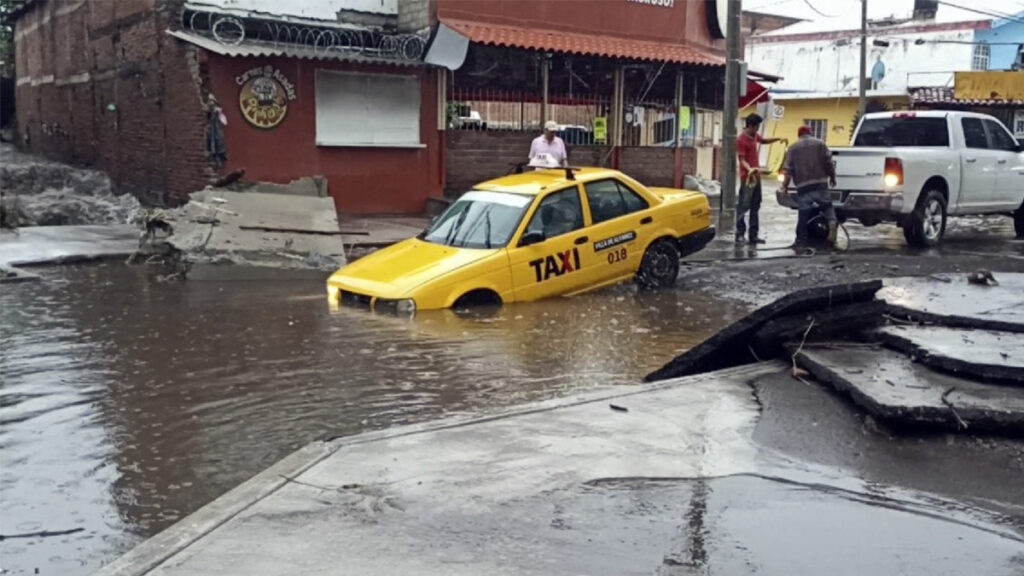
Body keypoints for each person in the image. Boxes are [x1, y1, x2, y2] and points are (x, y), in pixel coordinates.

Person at [780, 125, 838, 248]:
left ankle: (800, 242)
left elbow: (788, 170)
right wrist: (832, 177)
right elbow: (828, 162)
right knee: (828, 208)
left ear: (799, 135)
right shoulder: (820, 144)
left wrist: (784, 186)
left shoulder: (792, 148)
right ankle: (832, 225)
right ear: (810, 133)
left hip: (803, 186)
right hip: (821, 183)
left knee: (803, 215)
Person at [736, 113, 785, 244]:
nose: (758, 129)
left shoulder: (754, 136)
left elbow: (763, 141)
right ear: (751, 126)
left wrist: (778, 139)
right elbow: (741, 160)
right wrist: (749, 169)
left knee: (755, 206)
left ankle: (753, 235)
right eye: (757, 127)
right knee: (743, 205)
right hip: (747, 178)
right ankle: (740, 234)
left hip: (756, 177)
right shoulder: (741, 139)